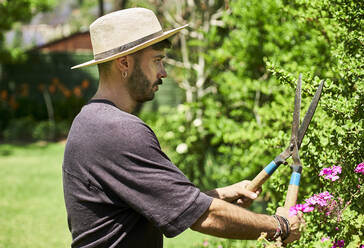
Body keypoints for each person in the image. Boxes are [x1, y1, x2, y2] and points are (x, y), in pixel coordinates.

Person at [63, 8, 304, 248]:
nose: (164, 72)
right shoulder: (118, 131)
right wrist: (279, 226)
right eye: (157, 60)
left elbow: (166, 203)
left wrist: (218, 194)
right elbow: (204, 216)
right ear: (124, 62)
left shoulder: (89, 122)